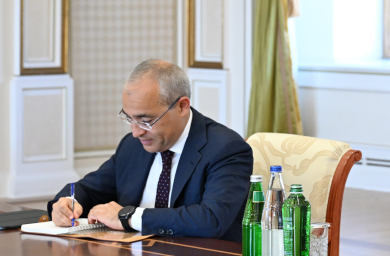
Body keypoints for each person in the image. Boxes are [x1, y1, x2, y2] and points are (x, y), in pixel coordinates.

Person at [48, 60, 253, 241]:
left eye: (146, 121)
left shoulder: (226, 149)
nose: (136, 132)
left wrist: (128, 217)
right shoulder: (132, 146)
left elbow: (211, 219)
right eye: (129, 118)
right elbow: (88, 189)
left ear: (182, 106)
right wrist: (68, 203)